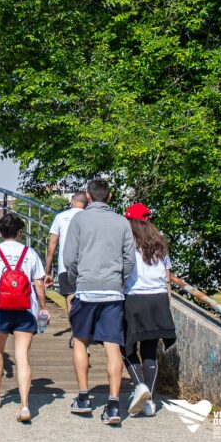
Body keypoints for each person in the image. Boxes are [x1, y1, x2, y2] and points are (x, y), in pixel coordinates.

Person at [62, 178, 136, 425]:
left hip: (86, 289)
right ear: (110, 196)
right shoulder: (122, 222)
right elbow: (129, 260)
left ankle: (83, 398)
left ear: (88, 195)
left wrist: (76, 280)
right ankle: (114, 405)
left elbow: (69, 258)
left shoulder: (79, 219)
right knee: (112, 345)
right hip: (113, 292)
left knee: (81, 341)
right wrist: (119, 280)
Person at [0, 212, 49, 422]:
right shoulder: (30, 253)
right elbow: (39, 284)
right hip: (26, 309)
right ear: (19, 232)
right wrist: (43, 308)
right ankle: (25, 406)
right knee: (22, 356)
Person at [122, 202, 176, 417]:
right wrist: (168, 306)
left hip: (134, 298)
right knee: (149, 351)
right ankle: (149, 403)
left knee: (124, 348)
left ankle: (139, 386)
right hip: (159, 300)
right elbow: (168, 277)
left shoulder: (127, 243)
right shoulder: (160, 243)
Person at [44, 192, 88, 317]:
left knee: (70, 299)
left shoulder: (61, 217)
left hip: (65, 265)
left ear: (72, 201)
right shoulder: (90, 217)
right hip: (88, 265)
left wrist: (48, 272)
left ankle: (76, 333)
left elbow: (51, 247)